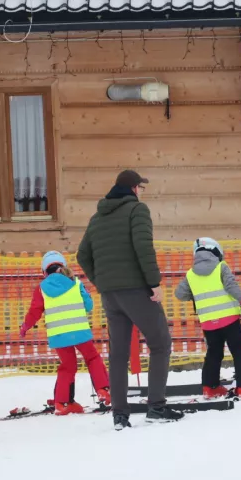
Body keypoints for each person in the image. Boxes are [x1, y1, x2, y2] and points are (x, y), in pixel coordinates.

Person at [76, 169, 181, 430]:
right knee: (160, 343)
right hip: (136, 290)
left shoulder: (97, 218)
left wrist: (101, 282)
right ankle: (156, 407)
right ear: (134, 188)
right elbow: (143, 247)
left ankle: (120, 415)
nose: (141, 192)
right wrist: (153, 283)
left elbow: (82, 255)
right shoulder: (137, 210)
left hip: (110, 296)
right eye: (140, 188)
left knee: (118, 354)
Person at [19, 251, 110, 415]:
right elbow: (88, 306)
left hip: (58, 336)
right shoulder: (76, 283)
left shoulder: (41, 289)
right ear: (64, 266)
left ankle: (62, 404)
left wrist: (25, 327)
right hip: (80, 332)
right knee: (92, 358)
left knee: (68, 367)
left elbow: (34, 312)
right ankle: (103, 391)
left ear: (44, 272)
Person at [174, 237, 241, 399]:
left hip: (208, 322)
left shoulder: (190, 274)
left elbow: (180, 294)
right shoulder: (221, 267)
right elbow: (231, 286)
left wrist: (197, 293)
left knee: (214, 353)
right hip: (229, 319)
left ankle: (211, 388)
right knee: (239, 351)